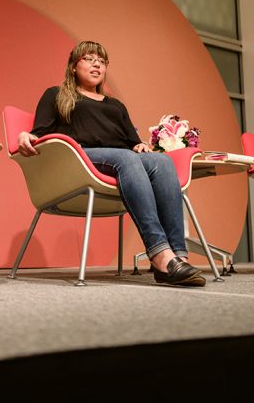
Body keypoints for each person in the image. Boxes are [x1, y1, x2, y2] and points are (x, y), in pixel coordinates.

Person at [17, 40, 205, 287]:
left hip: (120, 159)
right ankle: (159, 253)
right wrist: (24, 135)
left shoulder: (115, 105)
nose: (97, 64)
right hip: (81, 159)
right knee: (126, 158)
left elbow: (132, 143)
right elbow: (39, 133)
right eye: (89, 58)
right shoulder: (56, 95)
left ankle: (178, 256)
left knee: (161, 161)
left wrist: (140, 146)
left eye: (102, 61)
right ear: (74, 66)